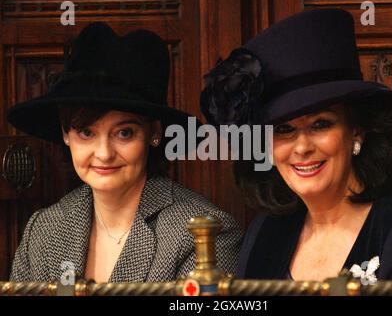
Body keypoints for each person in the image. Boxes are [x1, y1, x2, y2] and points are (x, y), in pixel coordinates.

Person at [200, 9, 392, 281]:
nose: (302, 147)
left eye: (321, 124)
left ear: (357, 130)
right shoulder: (264, 233)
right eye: (284, 129)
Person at [8, 22, 242, 283]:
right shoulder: (43, 230)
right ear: (65, 134)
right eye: (86, 132)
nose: (104, 153)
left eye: (124, 133)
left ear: (154, 133)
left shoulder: (204, 233)